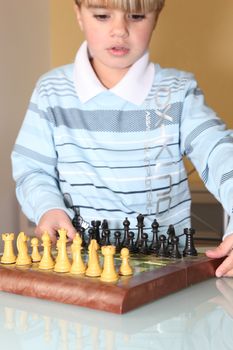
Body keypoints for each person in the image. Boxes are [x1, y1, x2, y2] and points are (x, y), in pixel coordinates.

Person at [11, 0, 233, 276]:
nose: (120, 30)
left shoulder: (178, 93)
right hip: (81, 272)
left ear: (156, 16)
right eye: (103, 16)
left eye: (137, 16)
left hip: (161, 275)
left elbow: (219, 153)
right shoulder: (51, 91)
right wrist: (49, 207)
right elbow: (32, 169)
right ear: (79, 15)